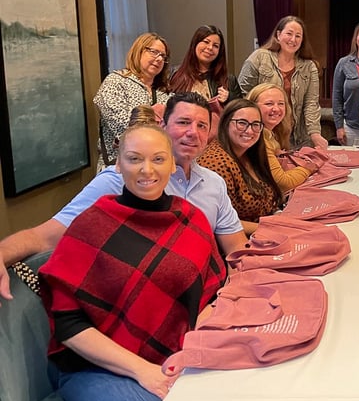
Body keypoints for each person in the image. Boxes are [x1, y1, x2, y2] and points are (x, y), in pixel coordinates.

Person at [38, 123, 227, 401]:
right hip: (96, 370)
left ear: (171, 163)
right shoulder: (91, 225)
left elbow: (207, 299)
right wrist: (144, 371)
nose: (146, 170)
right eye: (134, 159)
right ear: (118, 164)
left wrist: (192, 352)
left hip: (175, 358)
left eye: (157, 159)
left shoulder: (192, 219)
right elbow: (69, 326)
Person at [0, 92, 247, 308]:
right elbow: (44, 236)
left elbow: (236, 249)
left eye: (202, 126)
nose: (193, 132)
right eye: (183, 122)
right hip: (141, 308)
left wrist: (236, 296)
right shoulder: (120, 180)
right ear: (162, 125)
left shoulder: (213, 183)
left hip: (208, 302)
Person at [238, 16, 328, 149]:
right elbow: (243, 95)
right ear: (278, 35)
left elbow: (311, 104)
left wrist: (315, 134)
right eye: (289, 34)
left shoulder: (309, 67)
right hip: (263, 134)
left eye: (298, 36)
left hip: (297, 137)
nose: (293, 39)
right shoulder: (259, 57)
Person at [198, 99, 282, 235]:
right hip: (236, 241)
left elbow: (270, 199)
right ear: (225, 123)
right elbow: (219, 222)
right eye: (242, 123)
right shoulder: (216, 162)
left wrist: (278, 216)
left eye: (256, 124)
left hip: (266, 230)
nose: (249, 131)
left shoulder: (250, 153)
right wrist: (273, 227)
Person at [93, 32, 172, 169]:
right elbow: (122, 124)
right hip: (118, 168)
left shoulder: (164, 92)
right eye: (154, 52)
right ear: (138, 51)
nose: (159, 59)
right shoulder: (116, 82)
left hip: (156, 168)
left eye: (163, 56)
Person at [247, 83, 318, 193]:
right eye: (269, 103)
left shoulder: (275, 132)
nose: (276, 109)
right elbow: (283, 183)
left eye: (281, 104)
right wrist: (309, 167)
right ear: (253, 106)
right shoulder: (257, 138)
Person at [169, 25, 242, 105]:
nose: (210, 48)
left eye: (215, 46)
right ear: (195, 43)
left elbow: (241, 109)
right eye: (206, 42)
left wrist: (229, 98)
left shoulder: (229, 81)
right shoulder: (174, 74)